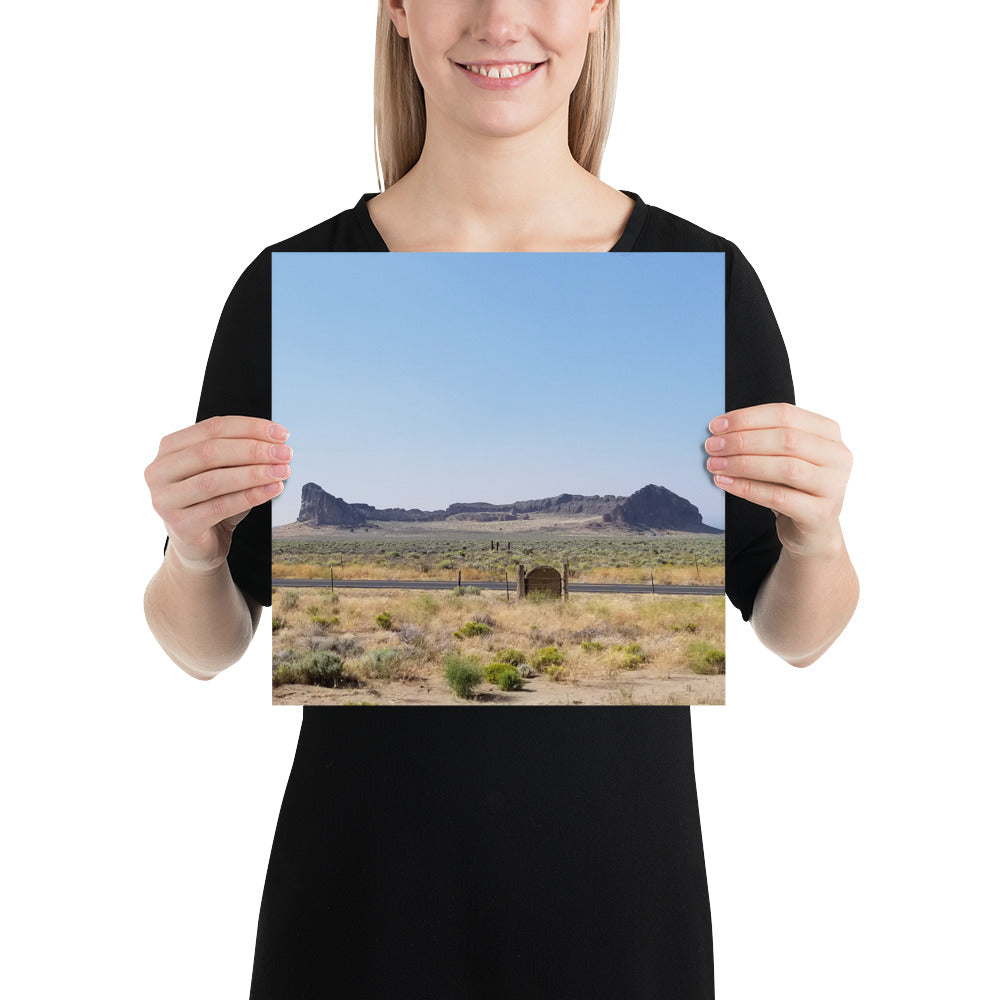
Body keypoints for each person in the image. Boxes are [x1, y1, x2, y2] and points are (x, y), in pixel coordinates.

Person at [144, 1, 859, 996]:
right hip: (359, 920)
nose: (499, 18)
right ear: (397, 9)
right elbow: (208, 643)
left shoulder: (702, 280)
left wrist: (815, 536)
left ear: (600, 9)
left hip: (620, 923)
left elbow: (796, 632)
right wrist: (192, 552)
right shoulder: (289, 285)